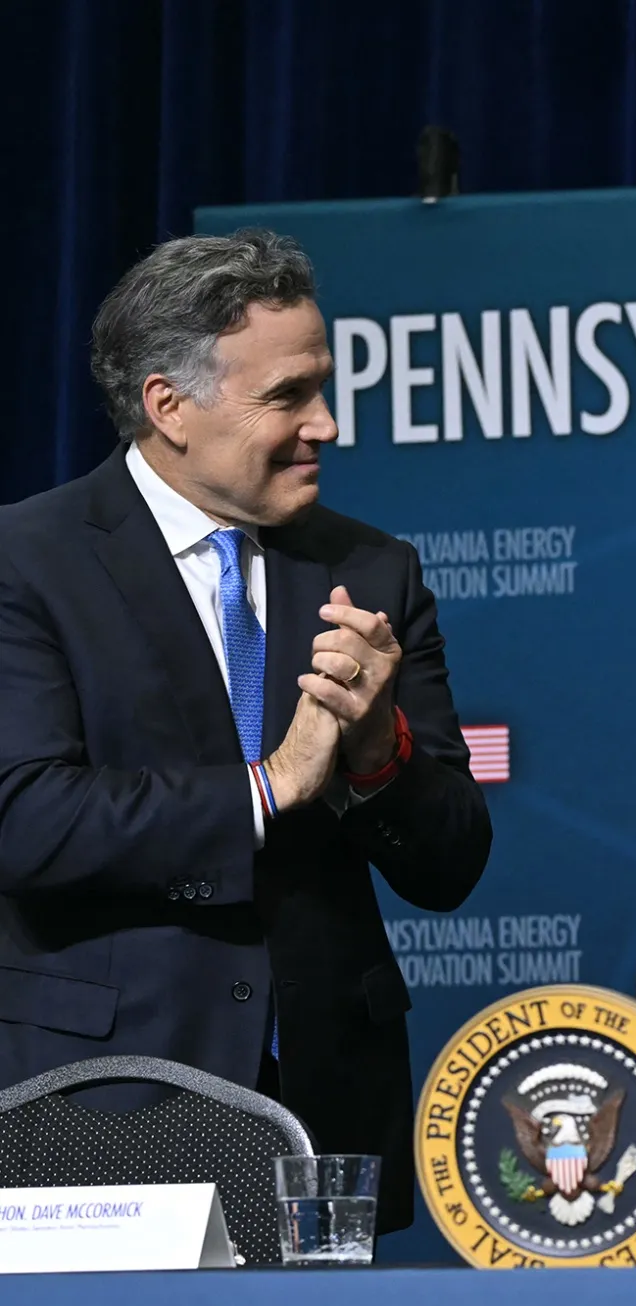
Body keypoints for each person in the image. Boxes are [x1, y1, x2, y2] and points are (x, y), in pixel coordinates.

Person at [0, 231, 493, 1233]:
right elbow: (26, 817)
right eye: (287, 396)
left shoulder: (373, 571)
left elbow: (451, 863)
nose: (326, 422)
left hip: (327, 1110)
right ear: (168, 407)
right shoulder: (26, 561)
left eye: (324, 385)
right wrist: (267, 786)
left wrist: (374, 751)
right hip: (101, 1102)